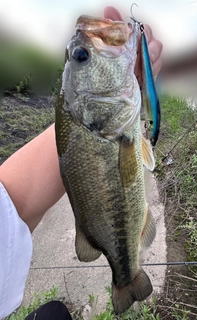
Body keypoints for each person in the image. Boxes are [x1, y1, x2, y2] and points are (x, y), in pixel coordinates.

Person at [0, 6, 162, 320]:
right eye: (82, 57)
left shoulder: (99, 120)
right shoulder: (100, 122)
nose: (84, 52)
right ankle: (126, 277)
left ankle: (123, 274)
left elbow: (8, 202)